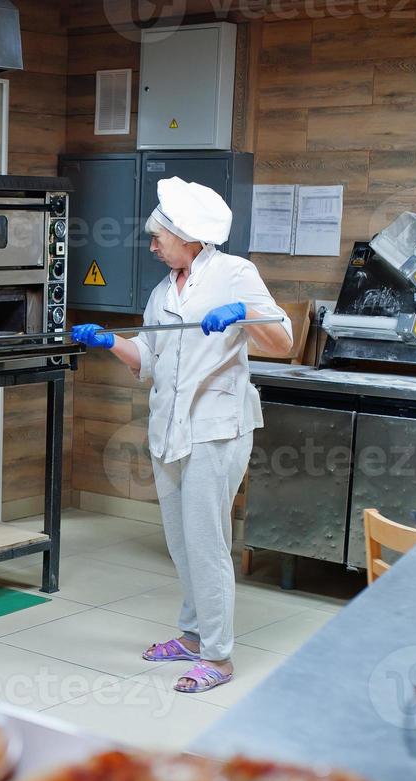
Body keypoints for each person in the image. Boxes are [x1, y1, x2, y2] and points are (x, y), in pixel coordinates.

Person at [72, 178, 292, 694]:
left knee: (206, 541)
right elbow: (150, 362)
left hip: (216, 430)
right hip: (168, 430)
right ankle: (193, 636)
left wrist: (245, 313)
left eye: (158, 236)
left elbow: (282, 341)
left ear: (189, 235)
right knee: (179, 541)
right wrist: (110, 341)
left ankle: (217, 656)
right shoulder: (161, 291)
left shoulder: (236, 274)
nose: (151, 246)